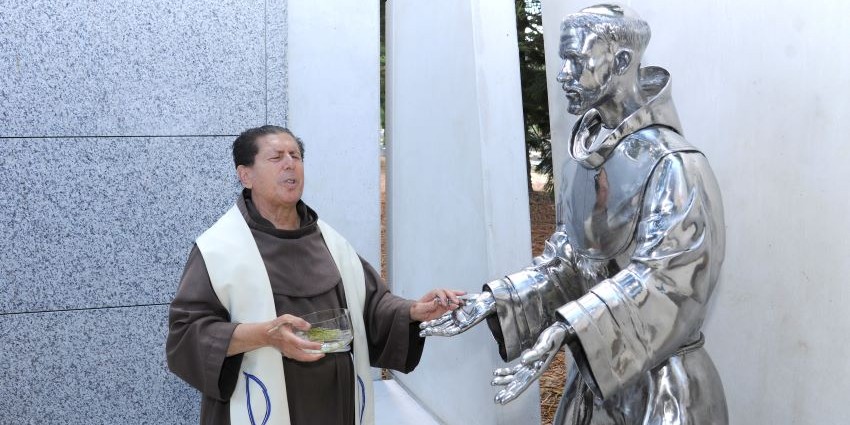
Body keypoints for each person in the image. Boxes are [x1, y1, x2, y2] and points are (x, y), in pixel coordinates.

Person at [420, 4, 728, 424]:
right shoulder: (583, 164)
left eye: (576, 59)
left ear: (621, 61)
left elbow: (669, 286)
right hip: (595, 392)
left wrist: (569, 328)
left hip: (666, 395)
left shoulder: (676, 167)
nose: (563, 73)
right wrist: (496, 300)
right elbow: (568, 264)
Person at [166, 125, 463, 425]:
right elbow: (187, 335)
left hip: (336, 406)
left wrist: (412, 311)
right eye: (276, 157)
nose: (290, 164)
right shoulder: (219, 250)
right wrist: (265, 335)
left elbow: (372, 307)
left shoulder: (332, 243)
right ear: (246, 175)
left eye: (295, 155)